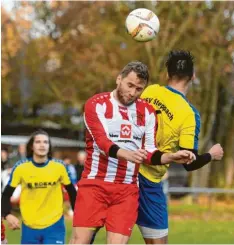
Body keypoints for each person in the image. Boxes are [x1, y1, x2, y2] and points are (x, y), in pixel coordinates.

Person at [70, 61, 196, 244]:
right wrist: (128, 154)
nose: (132, 92)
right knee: (79, 242)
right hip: (94, 186)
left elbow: (151, 152)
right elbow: (102, 142)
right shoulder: (96, 104)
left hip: (126, 190)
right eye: (129, 85)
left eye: (139, 89)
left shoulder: (147, 112)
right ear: (118, 79)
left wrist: (171, 156)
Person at [136, 50, 224, 244]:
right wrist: (211, 154)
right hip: (149, 181)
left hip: (125, 171)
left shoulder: (150, 91)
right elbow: (189, 163)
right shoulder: (189, 114)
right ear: (193, 76)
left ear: (167, 74)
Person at [1, 129, 77, 244]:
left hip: (55, 225)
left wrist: (78, 217)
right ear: (31, 146)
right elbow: (6, 195)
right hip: (29, 226)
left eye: (45, 142)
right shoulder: (21, 168)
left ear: (49, 146)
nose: (42, 145)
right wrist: (7, 215)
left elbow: (72, 192)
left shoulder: (59, 167)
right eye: (38, 142)